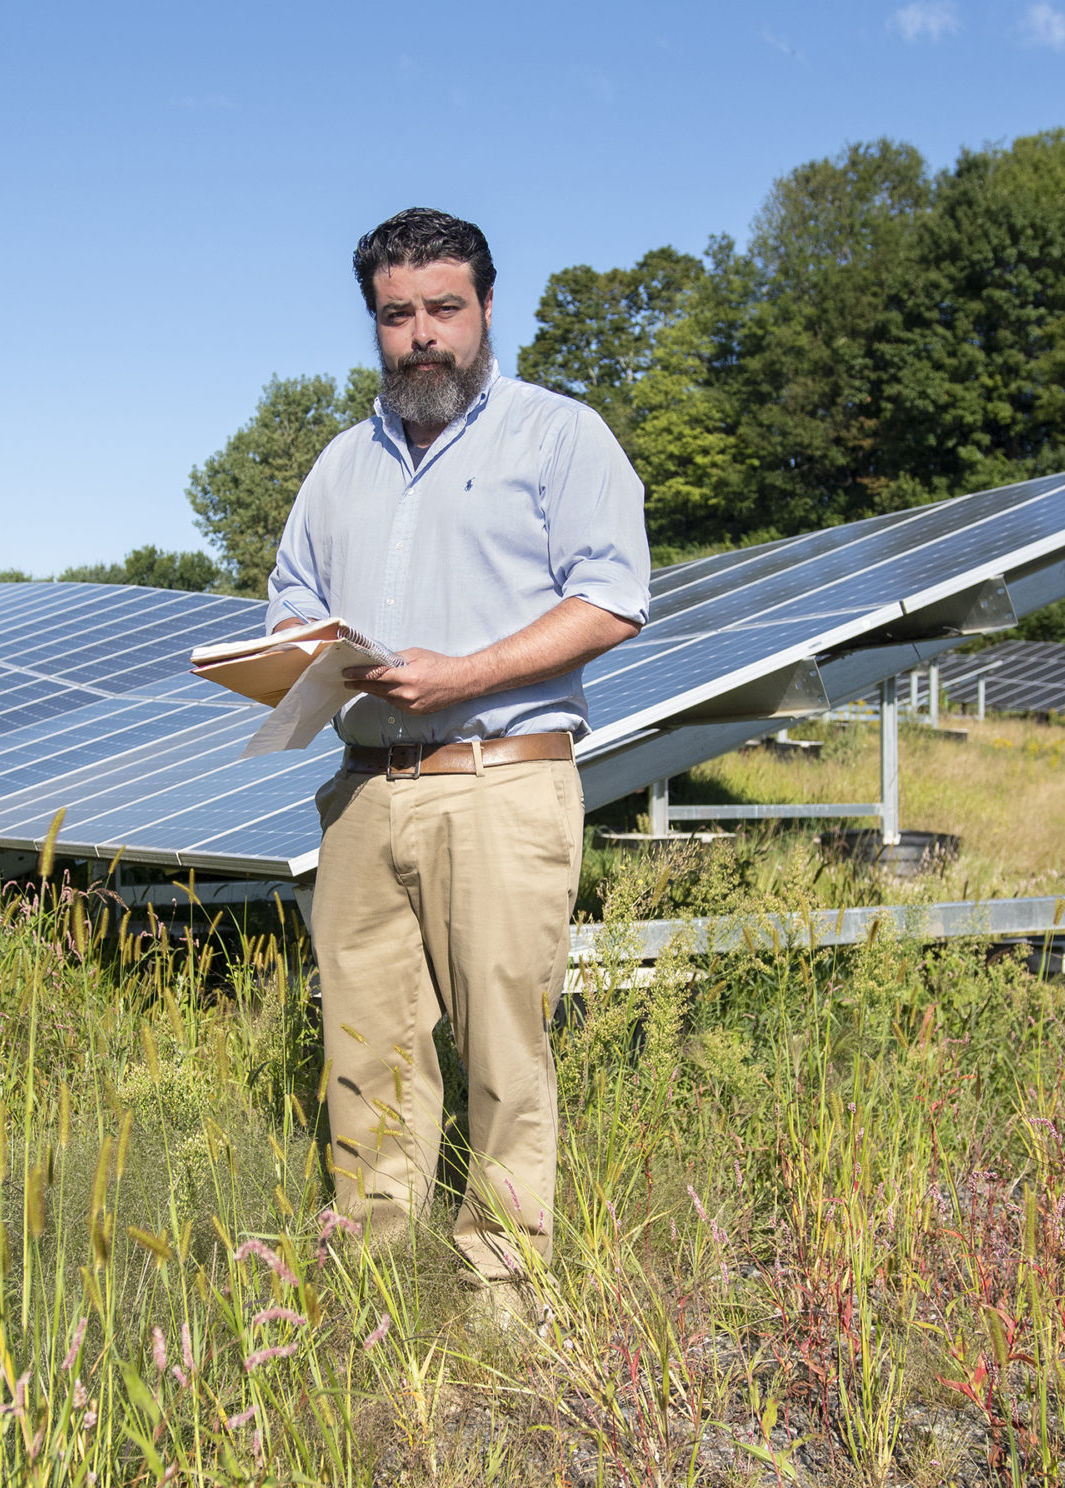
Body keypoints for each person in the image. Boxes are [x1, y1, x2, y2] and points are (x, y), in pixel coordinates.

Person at [265, 208, 650, 1310]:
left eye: (443, 308)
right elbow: (292, 605)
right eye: (397, 316)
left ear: (484, 309)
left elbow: (612, 600)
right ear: (373, 326)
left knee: (500, 1048)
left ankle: (502, 1289)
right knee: (364, 1047)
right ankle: (371, 1272)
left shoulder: (557, 437)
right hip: (362, 796)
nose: (421, 334)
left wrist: (462, 675)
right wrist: (293, 660)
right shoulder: (339, 468)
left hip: (499, 781)